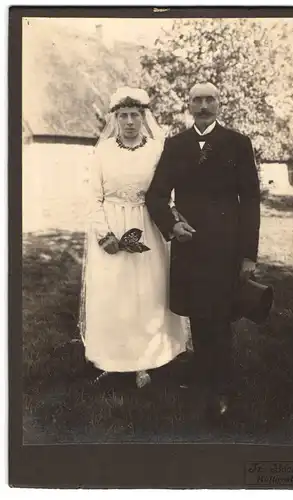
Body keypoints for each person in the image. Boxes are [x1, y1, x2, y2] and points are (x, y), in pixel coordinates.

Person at [145, 82, 261, 422]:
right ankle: (203, 383)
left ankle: (222, 388)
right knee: (198, 315)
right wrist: (172, 227)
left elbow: (251, 201)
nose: (204, 105)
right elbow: (156, 195)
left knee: (220, 318)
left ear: (220, 104)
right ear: (189, 104)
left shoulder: (238, 144)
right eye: (197, 100)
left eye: (211, 99)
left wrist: (248, 254)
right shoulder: (175, 145)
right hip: (189, 245)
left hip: (225, 246)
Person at [78, 87, 188, 388]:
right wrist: (104, 235)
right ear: (115, 118)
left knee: (149, 293)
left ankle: (149, 359)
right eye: (123, 115)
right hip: (112, 226)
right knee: (113, 293)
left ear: (144, 117)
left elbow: (169, 192)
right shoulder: (103, 152)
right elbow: (93, 198)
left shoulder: (156, 150)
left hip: (148, 225)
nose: (129, 122)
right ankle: (113, 359)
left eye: (135, 116)